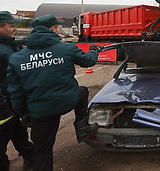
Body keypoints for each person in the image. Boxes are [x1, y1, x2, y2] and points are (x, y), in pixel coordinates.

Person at [7, 14, 102, 171]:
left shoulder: (17, 58)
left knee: (42, 150)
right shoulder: (66, 48)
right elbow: (88, 61)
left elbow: (15, 92)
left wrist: (24, 113)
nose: (59, 29)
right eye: (58, 26)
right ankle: (82, 127)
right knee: (82, 92)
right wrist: (94, 50)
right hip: (66, 101)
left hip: (40, 111)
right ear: (52, 28)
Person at [0, 11, 34, 171]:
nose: (14, 29)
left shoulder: (10, 45)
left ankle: (29, 159)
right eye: (11, 26)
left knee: (19, 133)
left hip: (14, 101)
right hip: (4, 104)